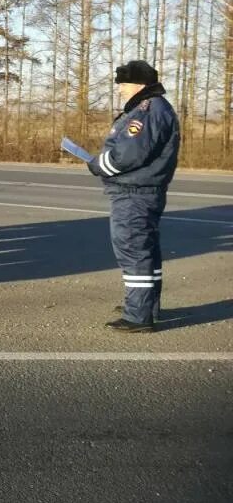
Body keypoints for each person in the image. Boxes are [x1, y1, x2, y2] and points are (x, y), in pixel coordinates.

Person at [87, 60, 180, 333]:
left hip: (134, 193)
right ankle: (146, 305)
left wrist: (98, 165)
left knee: (134, 251)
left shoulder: (147, 110)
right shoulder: (150, 108)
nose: (119, 90)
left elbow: (129, 154)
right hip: (140, 191)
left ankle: (138, 315)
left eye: (123, 84)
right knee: (145, 250)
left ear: (140, 84)